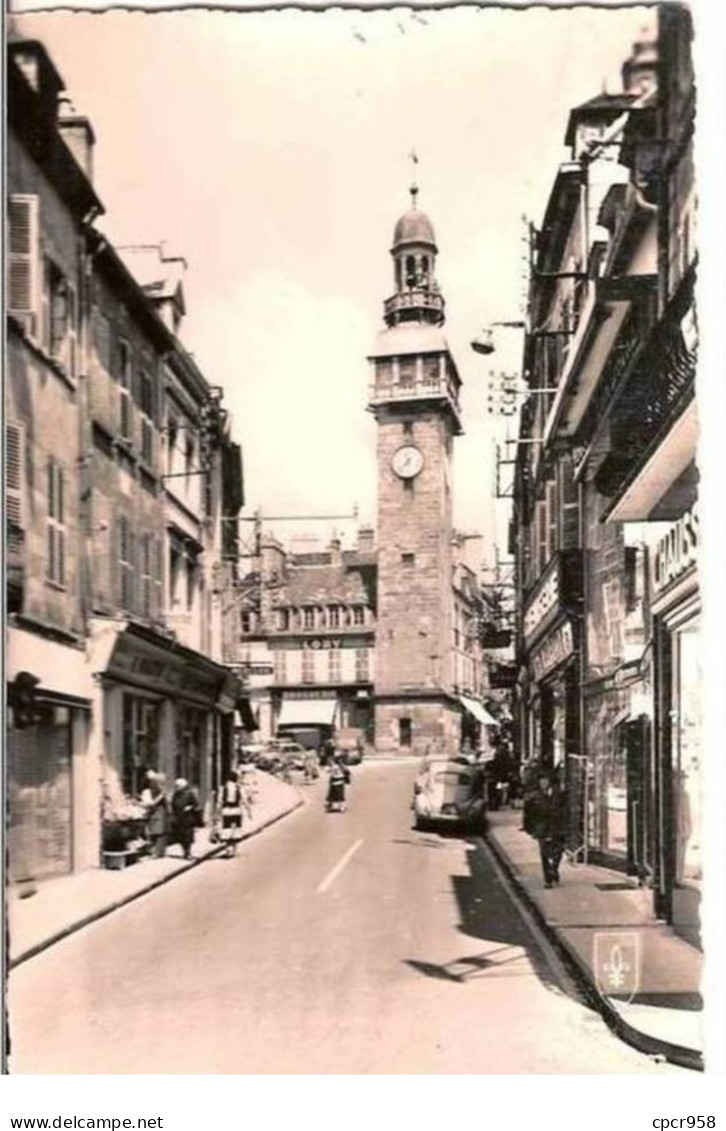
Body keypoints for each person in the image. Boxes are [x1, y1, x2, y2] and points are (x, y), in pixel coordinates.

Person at [528, 771, 566, 888]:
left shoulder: (558, 794)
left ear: (549, 782)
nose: (543, 783)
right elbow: (530, 814)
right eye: (541, 781)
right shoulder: (535, 796)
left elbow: (564, 810)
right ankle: (547, 879)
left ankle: (554, 868)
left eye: (545, 780)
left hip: (556, 827)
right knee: (544, 853)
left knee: (558, 851)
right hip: (542, 828)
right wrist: (532, 829)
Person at [170, 777, 202, 860]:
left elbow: (196, 805)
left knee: (187, 836)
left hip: (188, 818)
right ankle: (184, 851)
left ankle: (188, 852)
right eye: (176, 786)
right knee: (180, 836)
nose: (176, 787)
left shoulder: (189, 793)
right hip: (178, 817)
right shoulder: (175, 794)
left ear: (183, 786)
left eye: (178, 786)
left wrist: (190, 807)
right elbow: (173, 804)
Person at [140, 770, 169, 858]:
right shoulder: (153, 788)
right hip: (156, 812)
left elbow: (158, 798)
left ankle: (157, 852)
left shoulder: (156, 787)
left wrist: (154, 802)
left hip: (158, 812)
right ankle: (158, 852)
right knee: (156, 832)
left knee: (158, 832)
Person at [215, 774, 244, 858]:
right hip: (236, 810)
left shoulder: (223, 788)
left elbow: (219, 802)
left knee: (226, 829)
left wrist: (217, 812)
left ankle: (228, 848)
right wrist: (249, 812)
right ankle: (233, 848)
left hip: (226, 811)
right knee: (236, 829)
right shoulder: (238, 787)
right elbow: (244, 799)